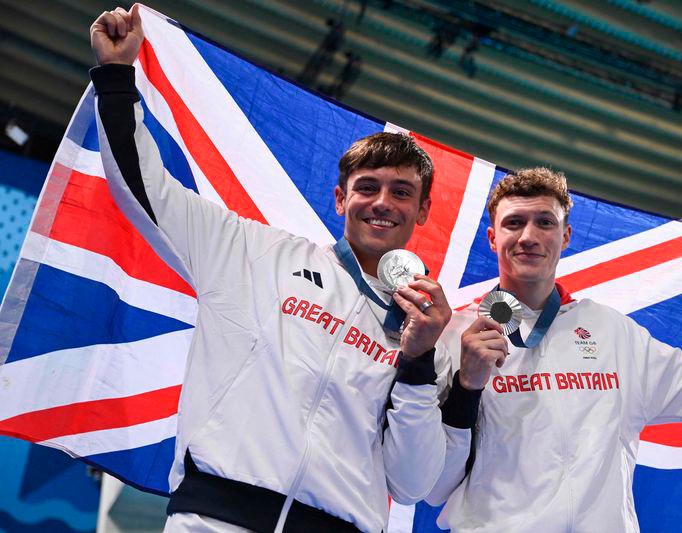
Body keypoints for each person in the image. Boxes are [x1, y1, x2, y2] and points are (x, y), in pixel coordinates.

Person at [89, 6, 452, 532]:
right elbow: (150, 193)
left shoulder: (424, 330)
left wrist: (418, 362)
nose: (382, 203)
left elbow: (412, 482)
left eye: (401, 192)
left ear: (421, 212)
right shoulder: (253, 252)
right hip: (214, 519)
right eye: (367, 187)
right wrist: (117, 77)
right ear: (339, 199)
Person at [427, 167, 682, 532]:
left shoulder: (609, 330)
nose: (529, 236)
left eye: (545, 223)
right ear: (492, 237)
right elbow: (433, 484)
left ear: (566, 236)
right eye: (514, 223)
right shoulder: (457, 334)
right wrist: (465, 387)